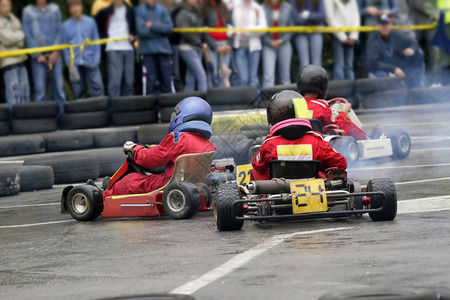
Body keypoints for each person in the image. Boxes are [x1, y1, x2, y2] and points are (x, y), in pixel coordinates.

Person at [103, 97, 216, 198]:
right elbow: (167, 152)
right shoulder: (208, 144)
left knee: (132, 180)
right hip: (195, 184)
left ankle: (106, 195)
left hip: (170, 184)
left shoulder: (178, 138)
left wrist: (135, 149)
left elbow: (151, 159)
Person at [251, 90, 347, 181]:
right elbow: (341, 163)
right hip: (313, 192)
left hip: (280, 192)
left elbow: (257, 166)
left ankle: (263, 197)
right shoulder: (316, 141)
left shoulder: (269, 144)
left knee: (255, 172)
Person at [297, 64, 368, 140]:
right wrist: (344, 112)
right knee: (347, 124)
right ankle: (367, 139)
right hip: (321, 141)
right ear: (322, 86)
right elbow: (336, 125)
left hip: (301, 140)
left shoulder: (295, 105)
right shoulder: (322, 106)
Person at [22, 0, 66, 113]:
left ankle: (63, 116)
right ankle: (42, 119)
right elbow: (27, 35)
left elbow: (59, 30)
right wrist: (36, 55)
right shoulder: (28, 12)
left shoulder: (55, 9)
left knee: (59, 87)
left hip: (55, 54)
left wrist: (56, 51)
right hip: (38, 57)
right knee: (40, 89)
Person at [366, 14, 424, 88]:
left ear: (391, 25)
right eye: (382, 24)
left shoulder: (397, 35)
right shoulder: (373, 40)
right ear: (377, 25)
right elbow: (373, 63)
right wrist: (394, 69)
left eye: (387, 24)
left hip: (398, 67)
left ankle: (415, 87)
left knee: (418, 54)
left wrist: (412, 49)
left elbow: (414, 44)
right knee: (382, 76)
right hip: (383, 70)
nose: (385, 27)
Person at [62, 0, 104, 99]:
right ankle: (82, 112)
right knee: (78, 90)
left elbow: (96, 41)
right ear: (69, 10)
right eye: (72, 7)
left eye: (77, 6)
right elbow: (65, 46)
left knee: (97, 87)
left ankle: (99, 110)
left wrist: (96, 60)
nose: (75, 9)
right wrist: (70, 64)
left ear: (82, 7)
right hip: (75, 63)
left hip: (91, 60)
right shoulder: (65, 26)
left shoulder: (91, 22)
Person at [176, 0, 219, 92]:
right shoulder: (182, 12)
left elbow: (207, 26)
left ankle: (188, 102)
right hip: (187, 48)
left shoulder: (197, 11)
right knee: (201, 76)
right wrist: (199, 43)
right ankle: (203, 101)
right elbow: (185, 32)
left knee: (190, 78)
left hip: (197, 48)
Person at [96, 0, 136, 97]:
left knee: (129, 81)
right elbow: (98, 29)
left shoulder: (131, 11)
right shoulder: (104, 12)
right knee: (115, 81)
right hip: (112, 48)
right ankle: (115, 108)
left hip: (128, 48)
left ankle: (128, 107)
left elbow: (135, 28)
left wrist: (133, 36)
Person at [136, 0, 173, 95]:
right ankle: (148, 107)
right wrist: (161, 31)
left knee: (166, 81)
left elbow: (169, 28)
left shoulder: (162, 9)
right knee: (150, 82)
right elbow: (141, 32)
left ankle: (167, 107)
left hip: (164, 51)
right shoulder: (140, 11)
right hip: (147, 52)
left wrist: (152, 25)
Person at [0, 0, 30, 110]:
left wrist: (16, 37)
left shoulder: (14, 19)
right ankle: (15, 116)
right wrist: (18, 37)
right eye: (3, 6)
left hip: (21, 59)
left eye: (8, 5)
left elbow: (23, 35)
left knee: (25, 88)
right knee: (14, 90)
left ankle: (26, 115)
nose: (6, 8)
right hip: (8, 62)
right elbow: (7, 39)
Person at [231, 0, 268, 88]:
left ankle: (255, 101)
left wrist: (247, 32)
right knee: (243, 78)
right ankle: (244, 100)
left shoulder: (258, 8)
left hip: (254, 47)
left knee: (253, 78)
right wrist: (231, 32)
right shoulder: (234, 5)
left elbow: (263, 28)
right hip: (239, 47)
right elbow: (229, 24)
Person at [324, 0, 360, 80]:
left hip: (351, 34)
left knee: (349, 66)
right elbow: (330, 18)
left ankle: (353, 89)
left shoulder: (352, 1)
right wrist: (343, 37)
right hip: (337, 35)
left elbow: (356, 17)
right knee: (339, 65)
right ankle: (340, 90)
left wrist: (353, 36)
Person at [407, 0, 440, 85]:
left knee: (433, 54)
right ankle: (418, 82)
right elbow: (417, 3)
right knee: (418, 54)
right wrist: (434, 13)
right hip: (418, 23)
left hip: (431, 24)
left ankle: (432, 81)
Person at [262, 0, 293, 87]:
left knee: (285, 76)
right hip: (268, 44)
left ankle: (288, 99)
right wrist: (269, 41)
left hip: (284, 44)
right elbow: (261, 28)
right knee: (268, 76)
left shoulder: (287, 7)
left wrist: (282, 40)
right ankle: (267, 99)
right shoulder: (263, 8)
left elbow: (291, 27)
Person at [202, 0, 233, 87]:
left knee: (224, 73)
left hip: (225, 43)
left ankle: (223, 98)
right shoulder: (204, 7)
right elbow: (203, 30)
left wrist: (229, 44)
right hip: (211, 44)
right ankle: (211, 98)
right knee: (212, 72)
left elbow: (231, 26)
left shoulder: (223, 6)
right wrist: (215, 46)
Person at [290, 0, 325, 68]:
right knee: (304, 62)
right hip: (300, 33)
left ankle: (318, 78)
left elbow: (322, 16)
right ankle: (304, 78)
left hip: (315, 32)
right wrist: (314, 20)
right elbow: (296, 19)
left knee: (317, 62)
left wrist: (306, 15)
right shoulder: (293, 1)